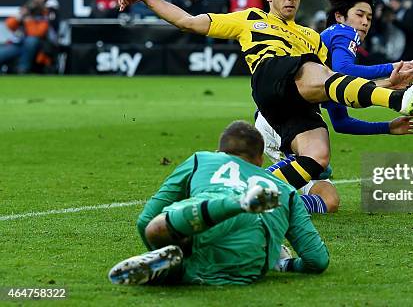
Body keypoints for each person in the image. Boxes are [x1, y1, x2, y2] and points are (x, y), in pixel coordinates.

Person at [118, 0, 413, 196]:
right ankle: (401, 100)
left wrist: (383, 85)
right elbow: (187, 21)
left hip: (297, 100)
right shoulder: (251, 19)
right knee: (313, 69)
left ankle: (252, 194)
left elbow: (334, 89)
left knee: (318, 156)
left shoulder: (311, 36)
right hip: (270, 78)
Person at [256, 0, 413, 214]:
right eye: (359, 14)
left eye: (369, 17)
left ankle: (276, 206)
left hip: (283, 122)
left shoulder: (331, 48)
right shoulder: (344, 33)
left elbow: (341, 122)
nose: (365, 22)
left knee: (330, 201)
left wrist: (388, 127)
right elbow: (344, 71)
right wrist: (392, 67)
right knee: (318, 163)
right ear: (340, 16)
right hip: (282, 121)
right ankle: (244, 189)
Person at [108, 120, 328, 285]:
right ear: (259, 160)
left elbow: (144, 221)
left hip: (204, 223)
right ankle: (178, 265)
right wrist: (285, 264)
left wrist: (162, 246)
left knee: (156, 227)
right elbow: (317, 260)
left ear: (219, 151)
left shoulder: (202, 159)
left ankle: (176, 263)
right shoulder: (285, 190)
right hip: (249, 264)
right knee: (196, 250)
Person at [0, 0, 50, 74]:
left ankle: (23, 68)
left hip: (37, 46)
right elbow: (9, 25)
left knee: (31, 41)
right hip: (18, 44)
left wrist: (29, 21)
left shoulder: (45, 13)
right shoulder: (27, 10)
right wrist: (20, 16)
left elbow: (38, 33)